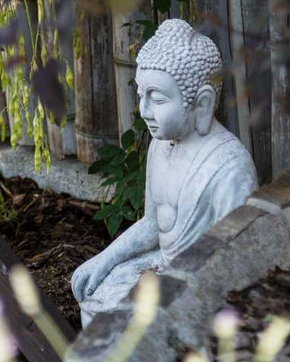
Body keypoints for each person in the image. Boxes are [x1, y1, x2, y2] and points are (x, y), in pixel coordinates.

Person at [71, 19, 258, 326]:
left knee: (118, 323)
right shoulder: (160, 146)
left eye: (157, 99)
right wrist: (105, 259)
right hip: (162, 265)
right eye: (141, 95)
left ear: (202, 104)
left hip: (203, 285)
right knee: (96, 297)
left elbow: (234, 260)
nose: (144, 110)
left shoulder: (229, 167)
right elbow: (153, 224)